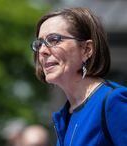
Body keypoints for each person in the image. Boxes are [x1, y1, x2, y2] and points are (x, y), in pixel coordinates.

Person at [30, 7, 127, 146]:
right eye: (39, 44)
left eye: (54, 40)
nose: (43, 51)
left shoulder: (113, 101)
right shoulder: (64, 116)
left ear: (86, 49)